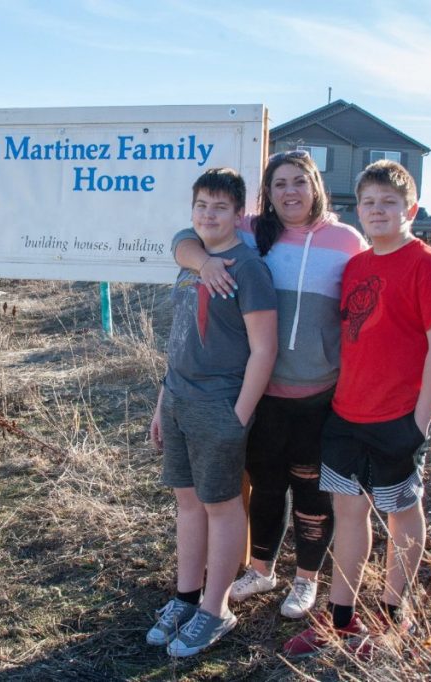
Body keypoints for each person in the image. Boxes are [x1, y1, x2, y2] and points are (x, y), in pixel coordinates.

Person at [174, 151, 367, 619]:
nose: (290, 192)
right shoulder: (254, 232)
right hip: (260, 390)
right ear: (268, 192)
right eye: (279, 184)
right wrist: (202, 263)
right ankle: (261, 568)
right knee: (264, 484)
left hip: (318, 390)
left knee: (309, 487)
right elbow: (186, 236)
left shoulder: (346, 241)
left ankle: (306, 578)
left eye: (299, 181)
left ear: (315, 185)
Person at [283, 160, 431, 658]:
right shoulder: (357, 265)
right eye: (369, 203)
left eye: (389, 202)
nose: (378, 211)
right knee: (348, 510)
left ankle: (391, 614)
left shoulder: (428, 266)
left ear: (411, 209)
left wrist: (420, 422)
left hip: (398, 418)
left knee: (402, 511)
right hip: (346, 414)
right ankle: (342, 617)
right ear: (356, 208)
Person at [147, 168, 278, 657]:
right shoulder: (191, 263)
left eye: (220, 207)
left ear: (238, 215)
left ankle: (215, 608)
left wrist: (239, 416)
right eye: (202, 205)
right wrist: (163, 403)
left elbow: (264, 350)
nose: (208, 214)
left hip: (219, 406)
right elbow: (178, 342)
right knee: (187, 504)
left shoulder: (249, 269)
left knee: (222, 507)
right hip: (179, 401)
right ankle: (185, 597)